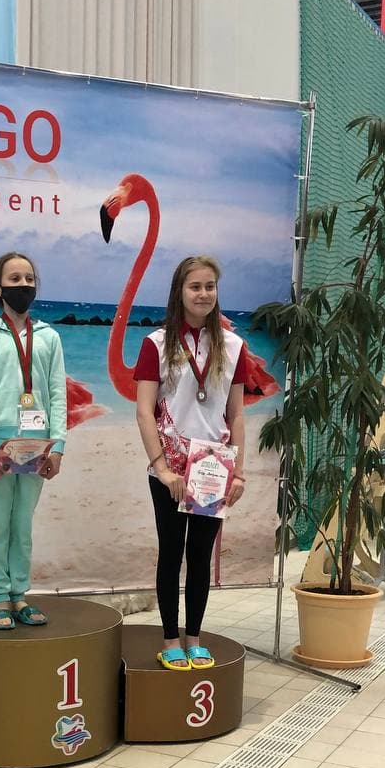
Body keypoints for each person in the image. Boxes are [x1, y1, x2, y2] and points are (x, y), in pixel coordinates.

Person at [134, 255, 248, 670]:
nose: (203, 294)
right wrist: (162, 468)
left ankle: (194, 638)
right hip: (170, 471)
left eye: (210, 286)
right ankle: (170, 638)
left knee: (200, 557)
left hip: (212, 469)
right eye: (195, 286)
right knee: (171, 552)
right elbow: (144, 411)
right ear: (179, 292)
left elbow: (236, 414)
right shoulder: (157, 344)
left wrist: (239, 472)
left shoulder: (234, 347)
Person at [0, 251, 66, 629]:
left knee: (22, 524)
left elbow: (57, 394)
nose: (23, 285)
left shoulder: (49, 337)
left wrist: (57, 447)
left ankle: (20, 593)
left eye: (29, 279)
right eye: (14, 279)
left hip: (37, 444)